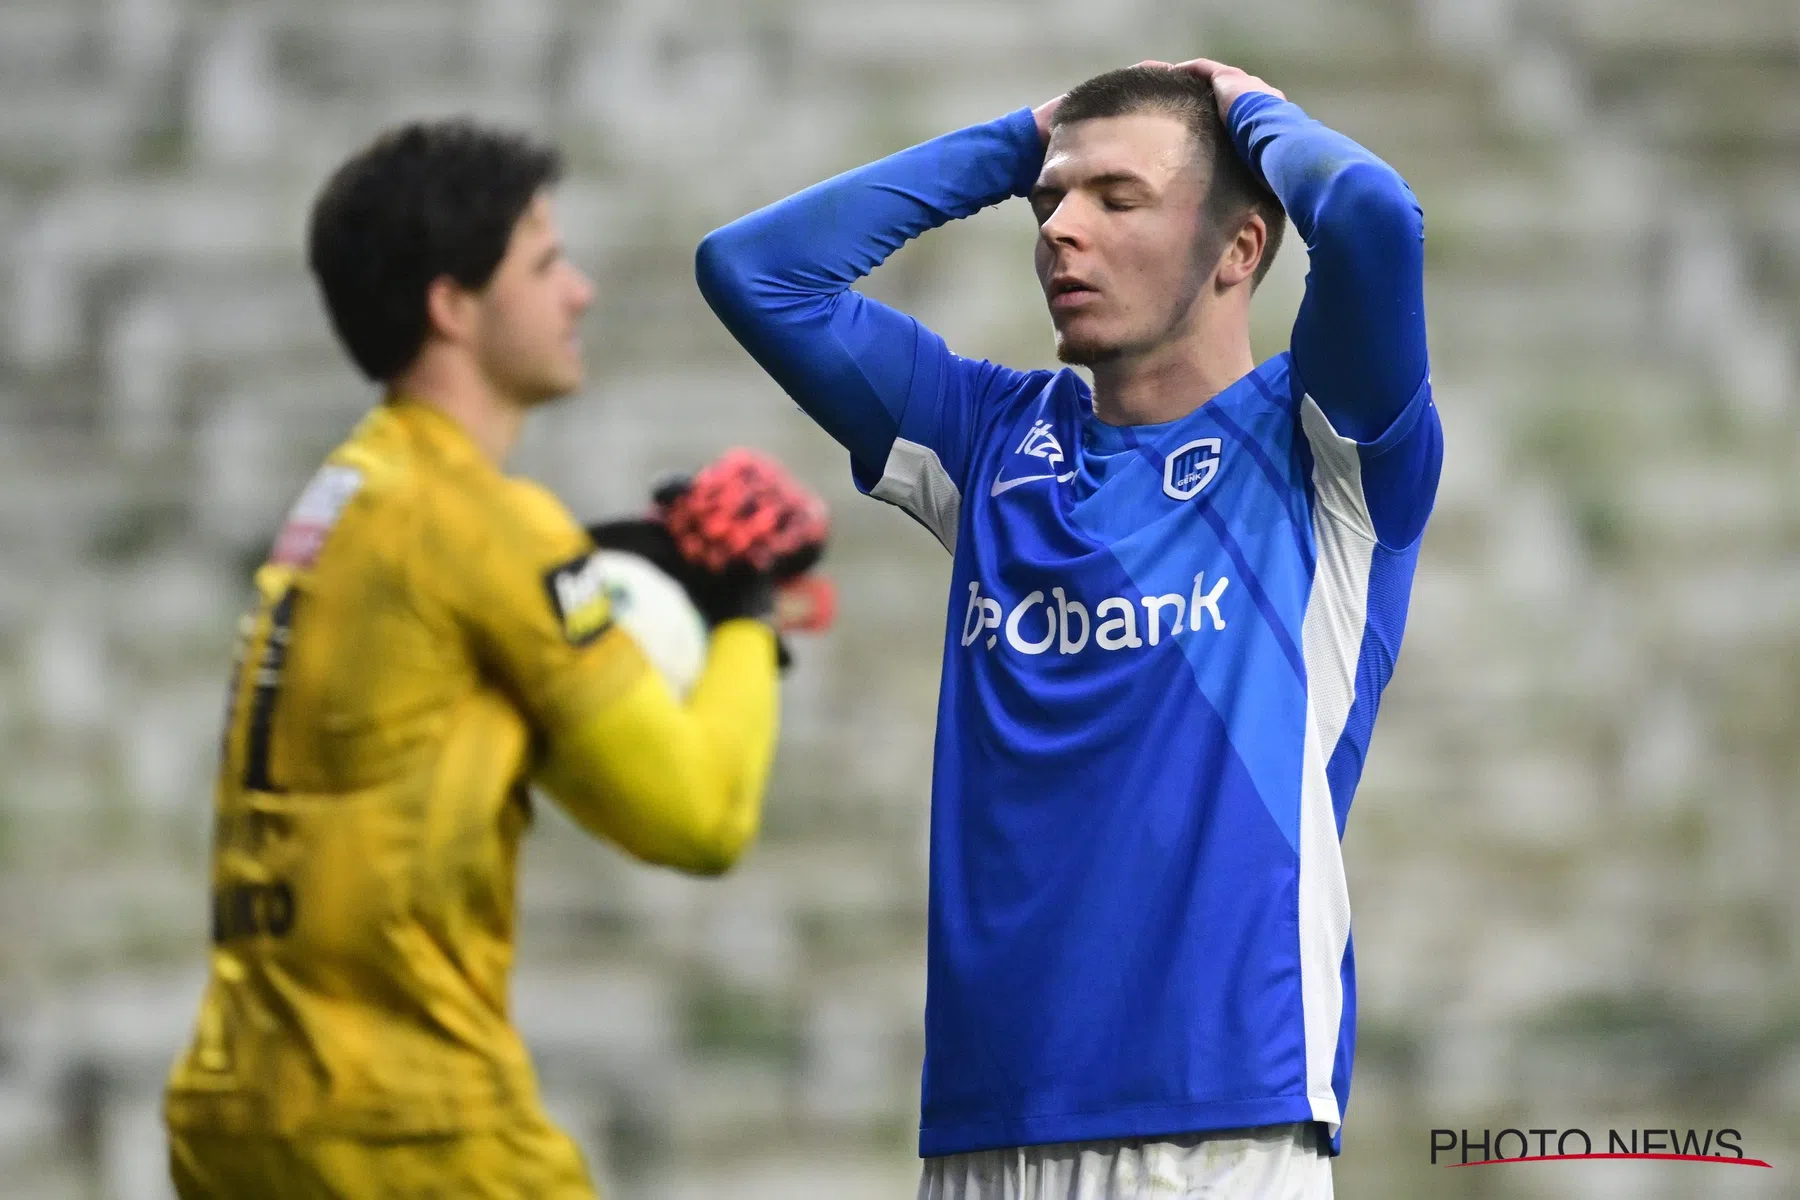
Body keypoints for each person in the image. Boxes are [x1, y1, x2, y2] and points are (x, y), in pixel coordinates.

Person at [697, 58, 1441, 1198]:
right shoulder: (990, 437)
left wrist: (1252, 113)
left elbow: (1378, 217)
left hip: (1216, 1123)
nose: (1058, 232)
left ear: (1241, 249)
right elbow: (753, 272)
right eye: (1049, 203)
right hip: (983, 1122)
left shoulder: (1321, 453)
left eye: (1116, 200)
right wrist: (1019, 144)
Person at [163, 118, 829, 1199]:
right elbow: (697, 818)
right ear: (451, 305)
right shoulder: (483, 526)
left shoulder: (345, 499)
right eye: (546, 263)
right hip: (408, 1130)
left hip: (239, 1114)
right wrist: (750, 607)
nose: (581, 292)